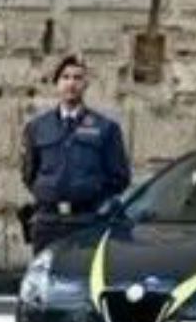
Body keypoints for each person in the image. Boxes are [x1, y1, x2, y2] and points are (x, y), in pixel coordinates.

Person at [18, 54, 132, 254]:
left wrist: (92, 196)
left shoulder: (105, 128)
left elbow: (119, 177)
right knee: (46, 271)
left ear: (85, 84)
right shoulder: (37, 127)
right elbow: (29, 173)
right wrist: (49, 191)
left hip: (87, 220)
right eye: (65, 77)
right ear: (56, 83)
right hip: (49, 222)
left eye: (77, 78)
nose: (71, 83)